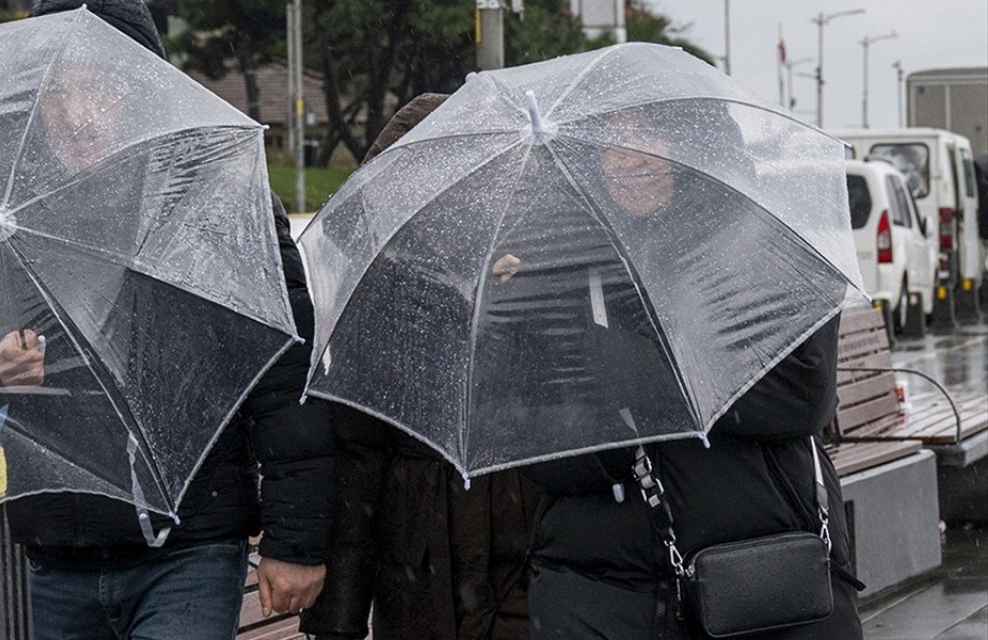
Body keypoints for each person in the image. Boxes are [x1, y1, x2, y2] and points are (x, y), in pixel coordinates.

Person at [0, 1, 334, 638]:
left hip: (189, 547)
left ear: (147, 89)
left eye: (101, 87)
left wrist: (297, 540)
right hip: (57, 554)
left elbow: (285, 382)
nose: (76, 114)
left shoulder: (215, 195)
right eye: (57, 90)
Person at [518, 106, 865, 638]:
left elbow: (801, 397)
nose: (627, 156)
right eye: (608, 139)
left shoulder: (767, 246)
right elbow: (541, 449)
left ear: (697, 143)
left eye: (649, 132)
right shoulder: (552, 265)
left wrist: (649, 371)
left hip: (763, 572)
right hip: (603, 589)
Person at [300, 94, 542, 640]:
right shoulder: (376, 298)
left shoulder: (544, 272)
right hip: (419, 579)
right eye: (412, 184)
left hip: (526, 564)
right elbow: (360, 463)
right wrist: (336, 621)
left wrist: (523, 302)